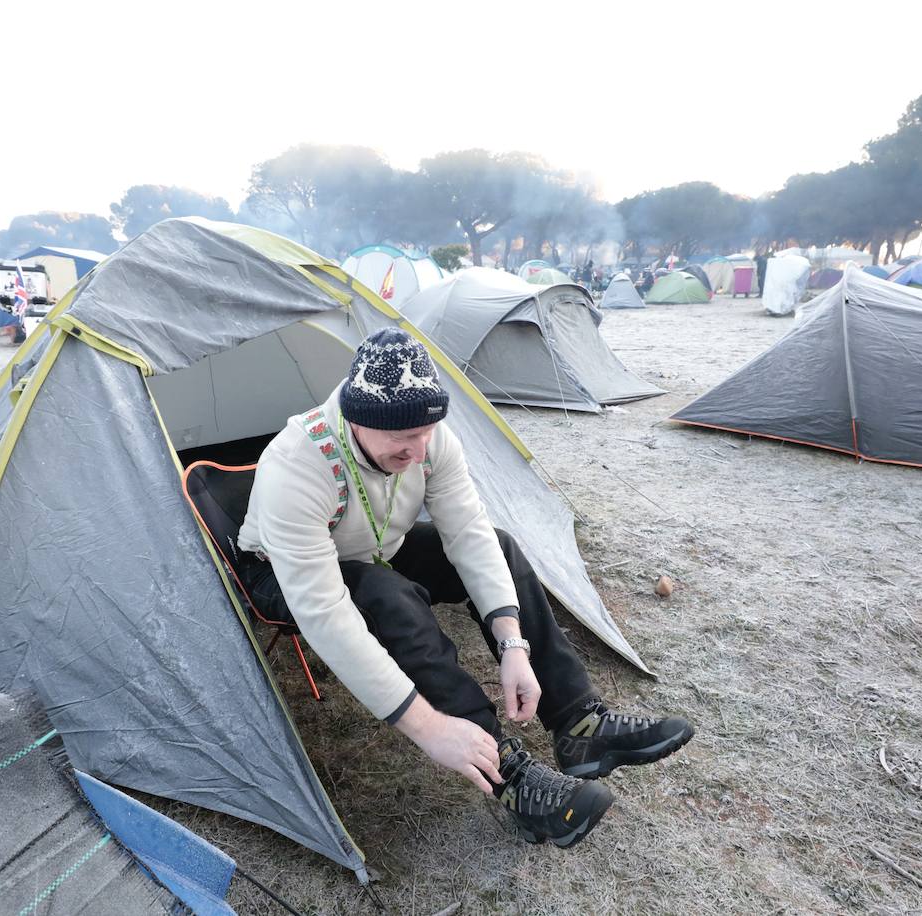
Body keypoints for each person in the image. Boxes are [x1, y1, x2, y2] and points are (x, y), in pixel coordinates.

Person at [236, 329, 693, 848]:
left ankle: (579, 725)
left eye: (427, 432)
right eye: (402, 438)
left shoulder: (428, 440)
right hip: (277, 571)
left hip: (376, 539)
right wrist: (429, 728)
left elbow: (470, 536)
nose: (418, 449)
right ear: (357, 421)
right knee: (387, 596)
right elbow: (327, 617)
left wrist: (512, 642)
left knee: (500, 546)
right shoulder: (296, 465)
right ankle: (508, 775)